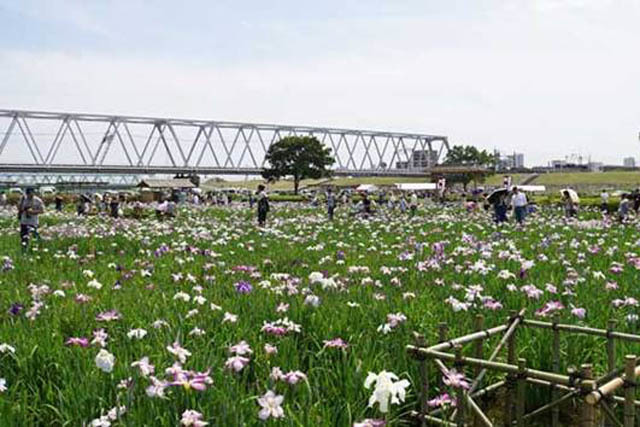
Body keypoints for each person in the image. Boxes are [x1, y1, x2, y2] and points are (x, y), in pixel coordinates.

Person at [18, 188, 44, 252]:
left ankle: (36, 249)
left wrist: (33, 212)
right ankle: (24, 250)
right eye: (28, 194)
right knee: (24, 237)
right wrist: (23, 208)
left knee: (35, 237)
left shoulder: (38, 200)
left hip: (33, 222)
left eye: (31, 194)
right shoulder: (23, 199)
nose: (30, 195)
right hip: (24, 221)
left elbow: (42, 210)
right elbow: (19, 209)